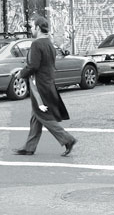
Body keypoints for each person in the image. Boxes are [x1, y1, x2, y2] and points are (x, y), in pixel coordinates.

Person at [13, 16, 77, 157]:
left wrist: (21, 74)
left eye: (32, 27)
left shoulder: (37, 44)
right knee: (36, 117)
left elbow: (34, 66)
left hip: (39, 87)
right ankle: (29, 147)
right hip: (48, 84)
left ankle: (68, 139)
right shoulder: (49, 43)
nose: (31, 29)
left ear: (37, 28)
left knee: (44, 116)